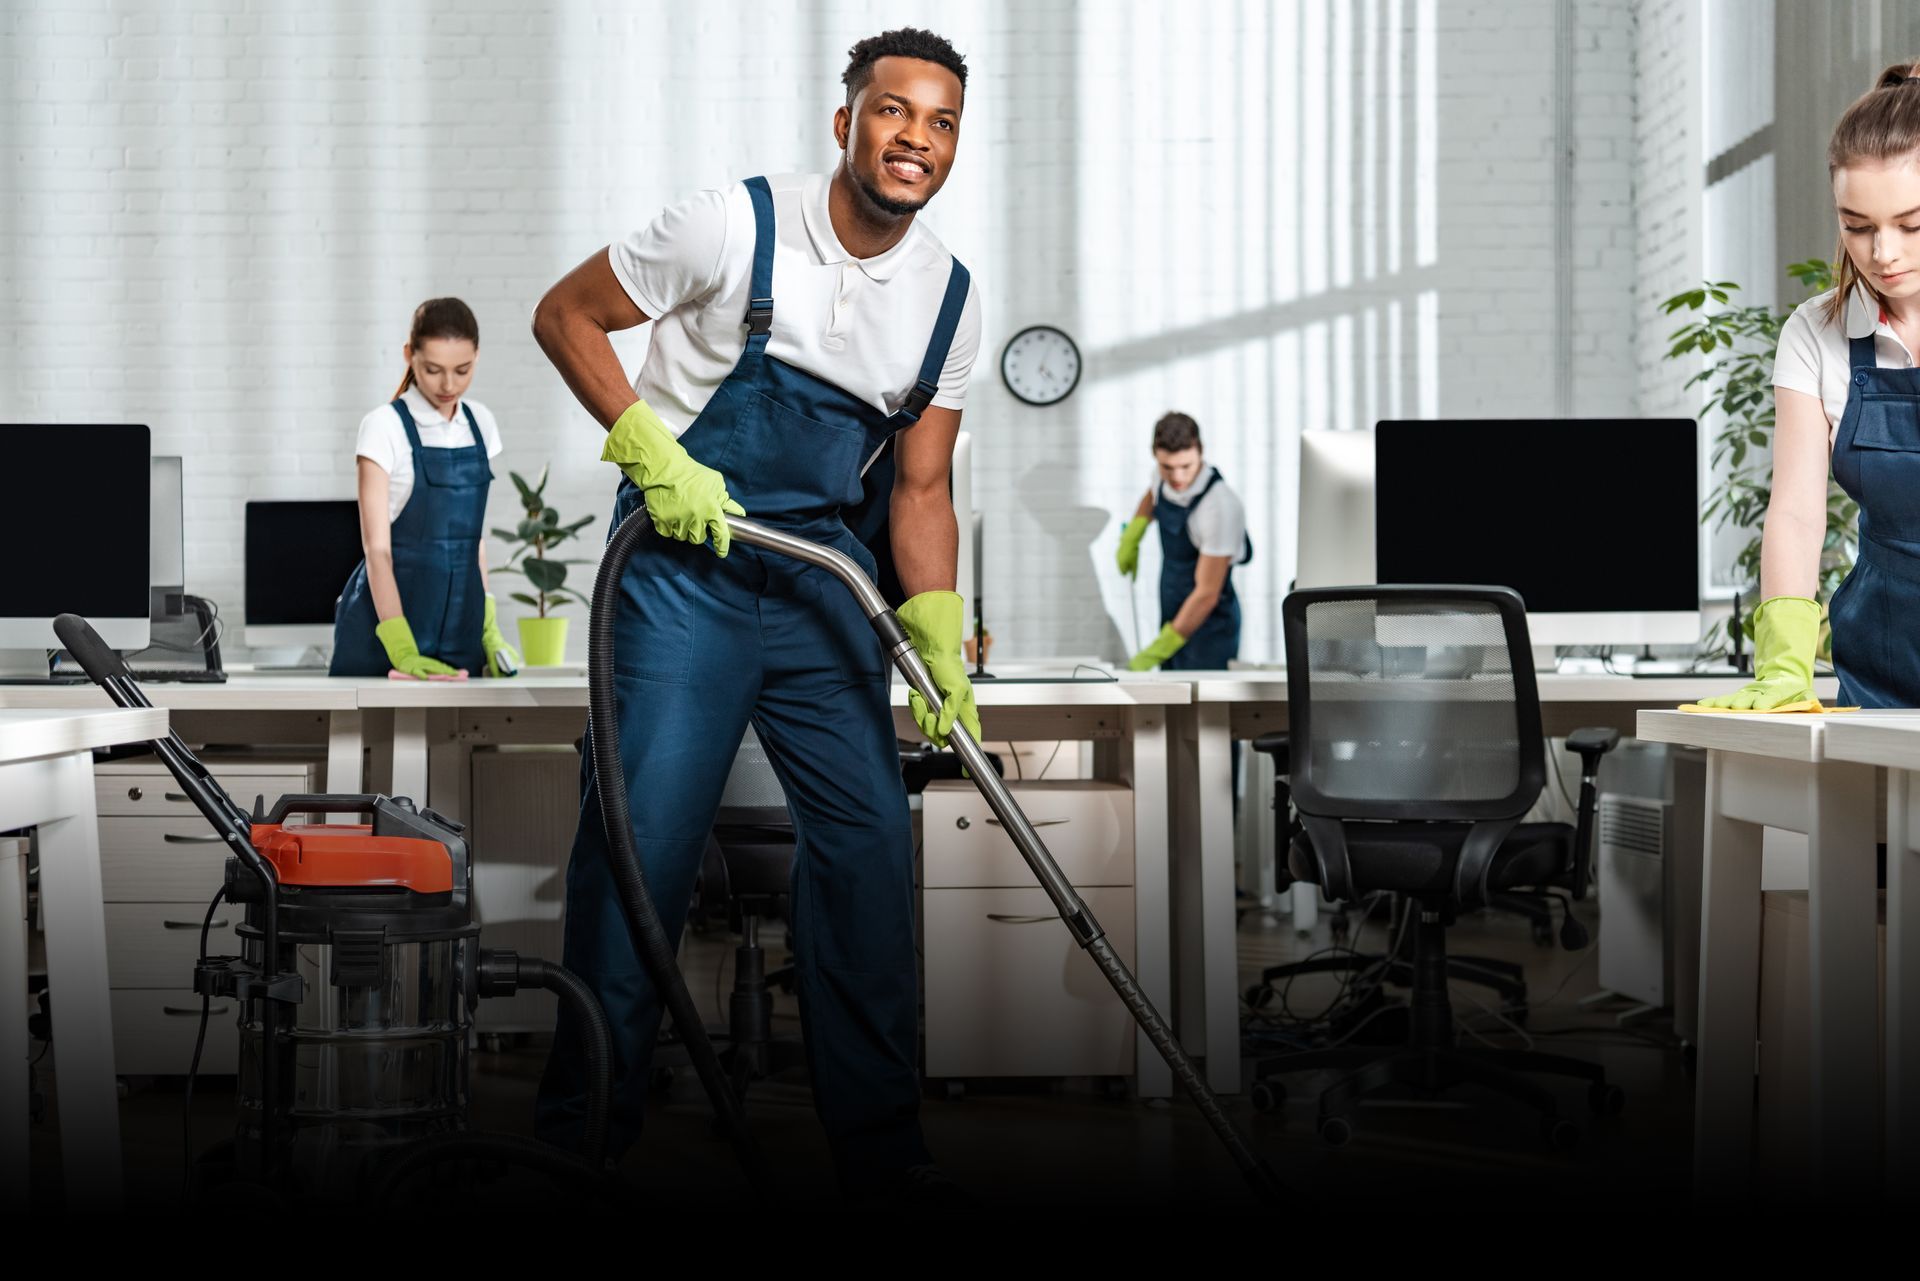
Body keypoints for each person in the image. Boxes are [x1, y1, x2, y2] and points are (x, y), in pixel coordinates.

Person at [528, 29, 983, 1202]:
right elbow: (564, 315)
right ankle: (583, 1138)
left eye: (939, 122)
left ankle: (882, 1149)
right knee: (643, 846)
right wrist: (650, 452)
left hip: (820, 577)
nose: (915, 139)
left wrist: (936, 627)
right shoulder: (733, 223)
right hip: (681, 569)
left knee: (870, 850)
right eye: (893, 111)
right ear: (847, 122)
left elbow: (920, 489)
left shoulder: (949, 299)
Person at [1701, 61, 1920, 712]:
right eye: (1858, 225)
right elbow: (1796, 513)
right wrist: (1783, 665)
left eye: (1912, 224)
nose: (1883, 253)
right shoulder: (1816, 333)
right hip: (1882, 662)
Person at [330, 297, 518, 678]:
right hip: (385, 624)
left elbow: (473, 541)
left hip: (462, 624)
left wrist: (487, 625)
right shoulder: (383, 427)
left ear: (477, 357)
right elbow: (377, 550)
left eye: (462, 370)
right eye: (433, 370)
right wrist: (400, 647)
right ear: (409, 355)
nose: (449, 385)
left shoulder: (481, 424)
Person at [1116, 411, 1252, 671]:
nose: (1177, 477)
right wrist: (1134, 532)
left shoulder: (1219, 507)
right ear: (1155, 455)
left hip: (1209, 628)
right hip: (1173, 609)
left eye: (1186, 467)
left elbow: (1207, 594)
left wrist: (1158, 650)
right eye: (1167, 467)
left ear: (1200, 451)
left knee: (1202, 695)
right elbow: (1154, 494)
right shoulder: (1161, 475)